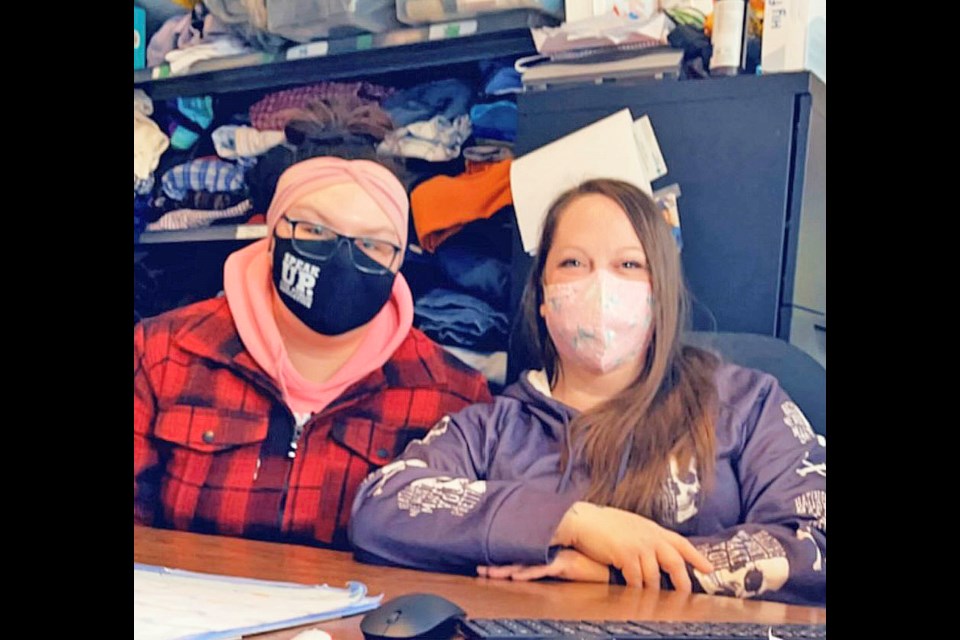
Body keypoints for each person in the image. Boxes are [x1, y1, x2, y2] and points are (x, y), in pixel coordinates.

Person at [349, 178, 826, 606]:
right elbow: (382, 507)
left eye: (629, 264)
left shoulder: (747, 402)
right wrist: (576, 523)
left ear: (661, 294)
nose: (602, 285)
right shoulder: (493, 427)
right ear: (541, 297)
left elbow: (815, 540)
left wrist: (619, 569)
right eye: (574, 262)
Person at [134, 156, 492, 548]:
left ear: (398, 261)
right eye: (314, 230)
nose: (342, 257)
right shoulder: (163, 353)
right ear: (272, 237)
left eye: (371, 243)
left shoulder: (452, 393)